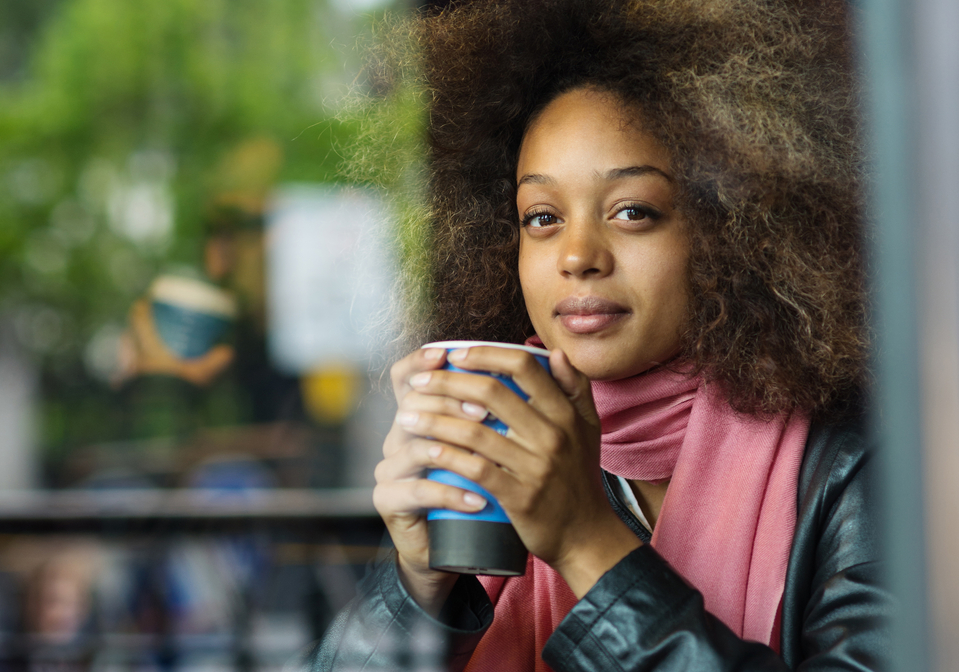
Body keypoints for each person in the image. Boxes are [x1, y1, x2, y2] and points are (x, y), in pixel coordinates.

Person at [311, 0, 885, 670]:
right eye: (542, 217)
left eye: (633, 211)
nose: (578, 254)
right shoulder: (499, 442)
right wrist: (415, 589)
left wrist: (585, 541)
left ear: (735, 230)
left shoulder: (857, 460)